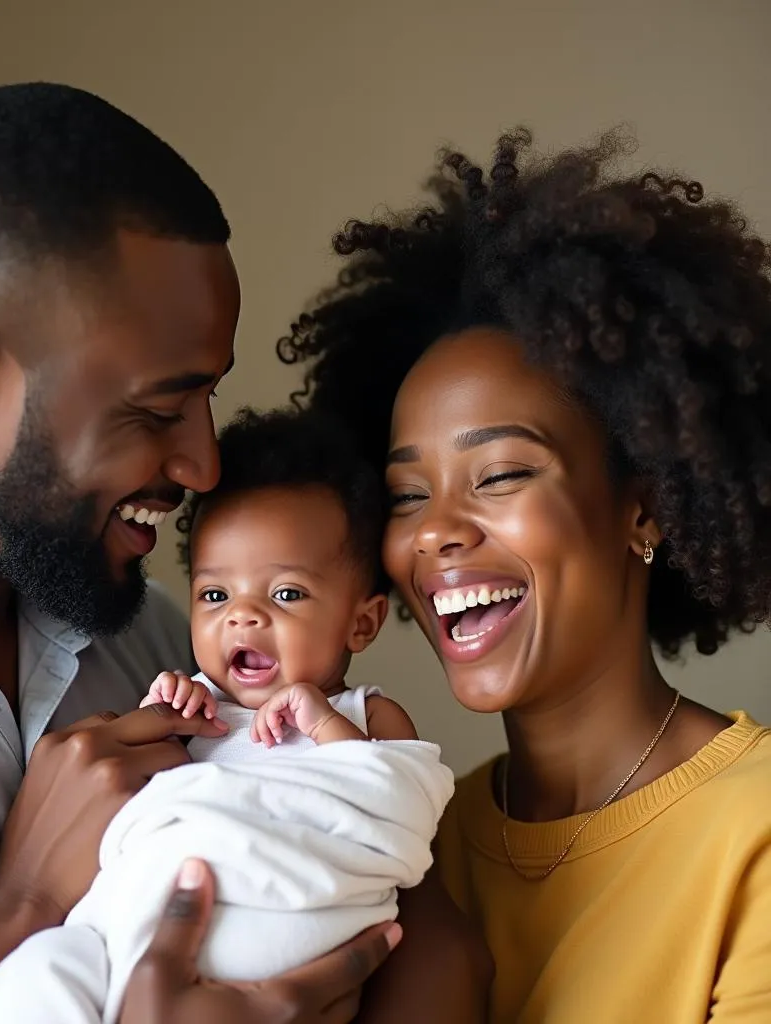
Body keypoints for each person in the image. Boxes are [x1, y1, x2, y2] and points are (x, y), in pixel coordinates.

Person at [0, 83, 458, 1024]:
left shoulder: (158, 639)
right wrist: (24, 903)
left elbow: (436, 940)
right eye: (159, 411)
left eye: (208, 403)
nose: (205, 466)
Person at [281, 128, 771, 1021]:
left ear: (647, 504)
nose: (434, 533)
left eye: (501, 475)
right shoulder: (401, 838)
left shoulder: (756, 836)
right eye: (404, 496)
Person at [0, 407, 454, 1023]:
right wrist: (167, 710)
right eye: (214, 594)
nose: (242, 616)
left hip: (272, 924)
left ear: (360, 623)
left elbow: (401, 813)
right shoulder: (195, 702)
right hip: (133, 926)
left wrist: (321, 722)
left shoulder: (367, 715)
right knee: (28, 978)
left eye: (285, 593)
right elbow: (140, 799)